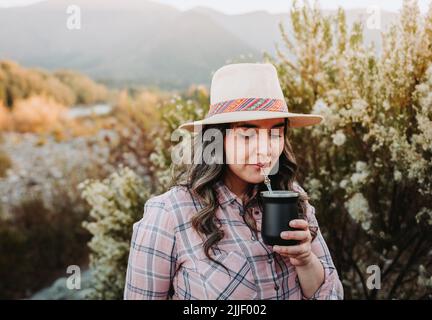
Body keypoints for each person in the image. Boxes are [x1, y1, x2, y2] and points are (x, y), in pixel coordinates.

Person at [124, 63, 344, 300]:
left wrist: (305, 259)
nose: (265, 150)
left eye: (275, 133)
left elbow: (332, 296)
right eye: (247, 134)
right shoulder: (169, 214)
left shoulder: (293, 198)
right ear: (217, 138)